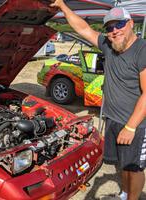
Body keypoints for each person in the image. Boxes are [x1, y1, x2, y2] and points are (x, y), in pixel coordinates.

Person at [50, 1, 146, 200]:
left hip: (136, 124)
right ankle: (125, 192)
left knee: (134, 166)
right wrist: (62, 6)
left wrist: (130, 127)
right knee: (122, 163)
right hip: (113, 119)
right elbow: (83, 28)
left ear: (130, 24)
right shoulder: (108, 45)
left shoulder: (142, 50)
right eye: (109, 28)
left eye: (119, 25)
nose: (114, 31)